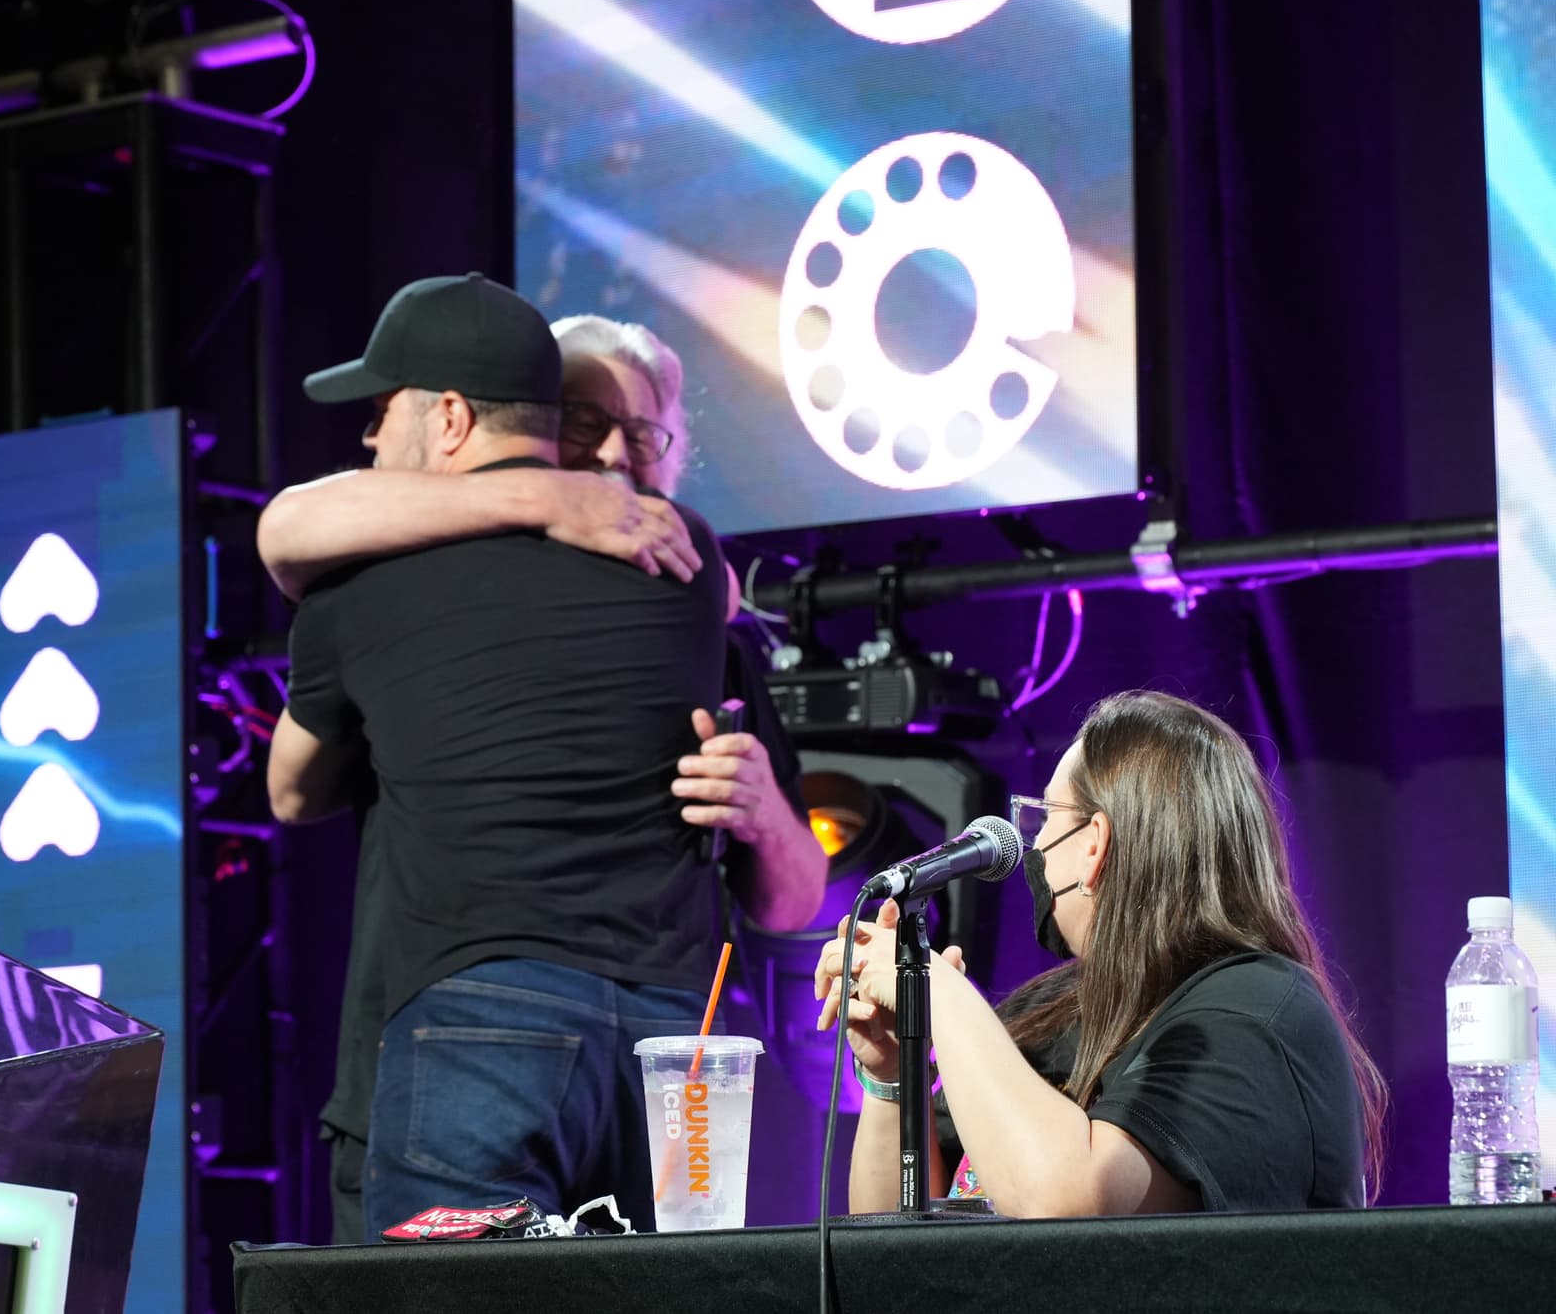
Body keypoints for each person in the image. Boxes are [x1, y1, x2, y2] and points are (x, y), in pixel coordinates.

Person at [259, 307, 825, 1240]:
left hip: (517, 1024)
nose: (607, 459)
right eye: (579, 426)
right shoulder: (686, 577)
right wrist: (540, 502)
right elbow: (297, 522)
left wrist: (764, 812)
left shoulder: (365, 581)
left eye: (637, 434)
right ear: (529, 427)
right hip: (658, 1047)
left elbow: (795, 897)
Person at [815, 690, 1388, 1215]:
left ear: (1094, 846)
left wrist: (934, 990)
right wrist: (895, 1074)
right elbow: (889, 1240)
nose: (1035, 844)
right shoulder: (1053, 1006)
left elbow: (1067, 1199)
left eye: (1045, 817)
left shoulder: (1252, 1011)